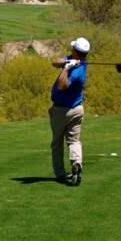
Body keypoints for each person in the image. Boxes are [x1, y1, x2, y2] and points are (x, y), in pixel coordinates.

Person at [50, 37, 89, 186]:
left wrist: (67, 69)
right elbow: (54, 62)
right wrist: (67, 63)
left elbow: (62, 85)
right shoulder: (76, 61)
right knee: (74, 140)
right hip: (77, 110)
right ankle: (76, 163)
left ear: (75, 50)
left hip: (62, 110)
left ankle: (60, 174)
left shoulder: (77, 71)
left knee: (57, 143)